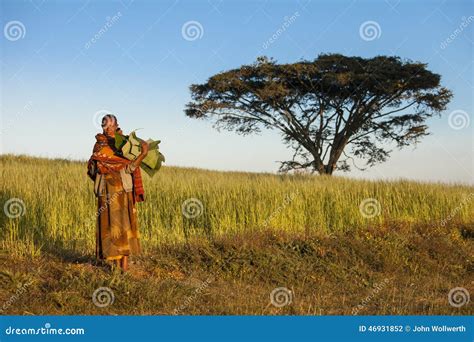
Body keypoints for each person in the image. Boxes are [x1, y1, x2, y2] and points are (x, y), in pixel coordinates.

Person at [87, 114, 149, 272]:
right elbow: (93, 170)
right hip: (105, 191)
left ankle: (124, 269)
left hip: (122, 190)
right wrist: (95, 163)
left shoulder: (125, 144)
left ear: (116, 125)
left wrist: (142, 154)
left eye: (109, 125)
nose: (106, 128)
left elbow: (129, 167)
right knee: (109, 228)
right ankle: (114, 267)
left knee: (124, 227)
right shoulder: (99, 144)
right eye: (103, 125)